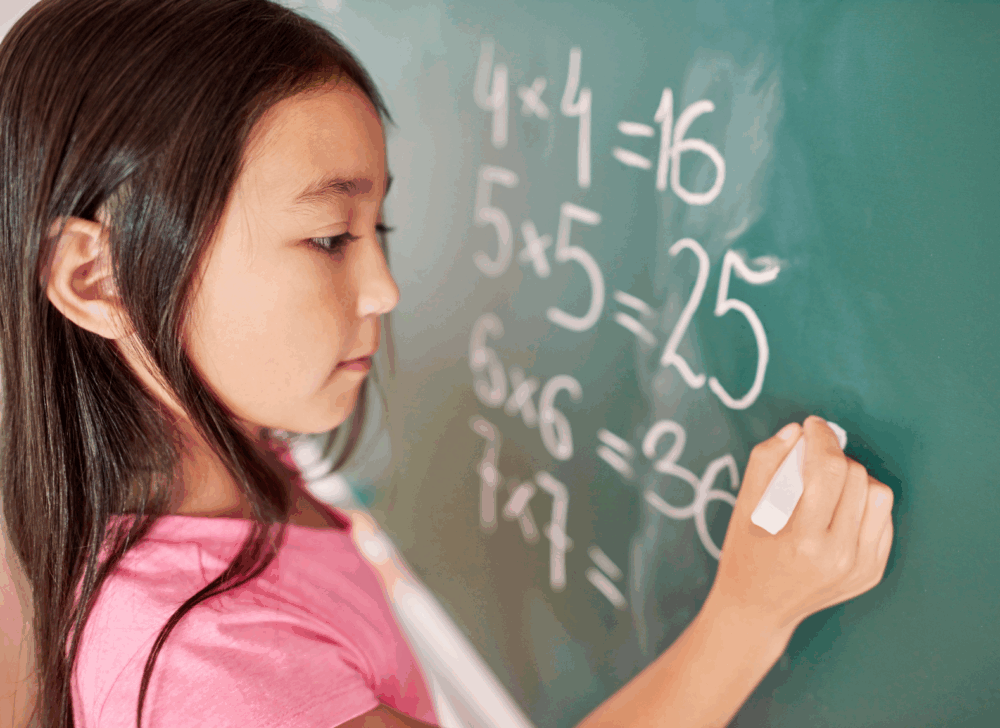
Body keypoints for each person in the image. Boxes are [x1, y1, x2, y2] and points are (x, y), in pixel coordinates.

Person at [0, 1, 895, 727]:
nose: (384, 286)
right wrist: (750, 617)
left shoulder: (226, 451)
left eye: (375, 230)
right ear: (96, 277)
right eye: (327, 238)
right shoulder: (210, 679)